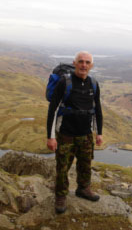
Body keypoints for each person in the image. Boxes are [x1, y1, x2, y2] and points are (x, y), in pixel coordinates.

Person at [47, 51, 103, 214]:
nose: (83, 65)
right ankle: (61, 196)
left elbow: (97, 108)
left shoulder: (94, 83)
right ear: (74, 63)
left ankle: (83, 188)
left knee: (85, 164)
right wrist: (50, 137)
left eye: (87, 62)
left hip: (85, 134)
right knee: (62, 167)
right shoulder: (65, 82)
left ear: (91, 65)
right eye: (81, 61)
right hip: (66, 134)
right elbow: (53, 110)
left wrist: (98, 132)